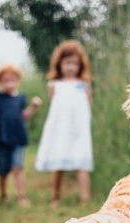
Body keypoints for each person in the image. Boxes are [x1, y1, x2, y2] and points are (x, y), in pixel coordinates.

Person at [35, 40, 93, 208]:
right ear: (59, 63)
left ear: (80, 65)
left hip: (78, 130)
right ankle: (56, 197)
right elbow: (57, 107)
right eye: (67, 62)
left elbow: (87, 105)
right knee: (58, 164)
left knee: (80, 164)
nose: (70, 67)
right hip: (61, 130)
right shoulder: (54, 85)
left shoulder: (84, 84)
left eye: (74, 63)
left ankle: (85, 199)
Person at [0, 64, 42, 207]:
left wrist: (34, 108)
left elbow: (23, 116)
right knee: (3, 171)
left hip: (17, 138)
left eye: (12, 80)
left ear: (18, 80)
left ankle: (22, 196)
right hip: (1, 139)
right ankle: (3, 195)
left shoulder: (21, 98)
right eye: (6, 80)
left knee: (17, 168)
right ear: (0, 81)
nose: (9, 84)